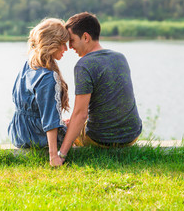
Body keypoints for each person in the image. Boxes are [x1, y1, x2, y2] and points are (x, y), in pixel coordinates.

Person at [57, 12, 142, 162]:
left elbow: (80, 114)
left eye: (72, 41)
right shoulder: (120, 57)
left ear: (85, 37)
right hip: (132, 135)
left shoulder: (84, 65)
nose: (70, 47)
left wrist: (62, 154)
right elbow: (112, 100)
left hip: (101, 140)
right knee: (72, 122)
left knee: (61, 127)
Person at [8, 18, 70, 166]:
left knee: (68, 123)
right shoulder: (48, 77)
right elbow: (50, 119)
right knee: (81, 126)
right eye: (62, 44)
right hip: (35, 136)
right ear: (52, 43)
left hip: (17, 132)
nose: (66, 49)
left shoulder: (30, 64)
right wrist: (54, 156)